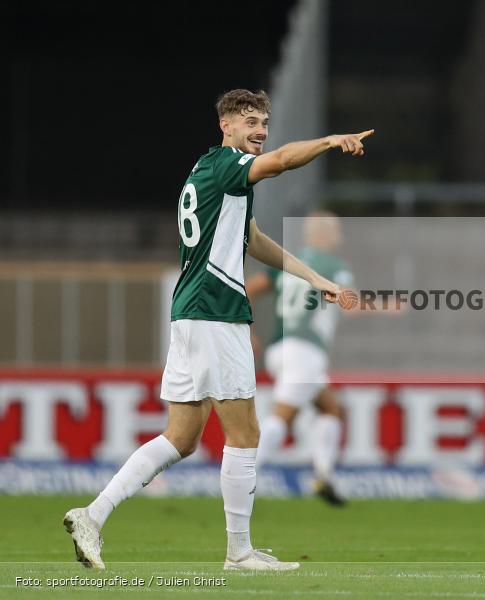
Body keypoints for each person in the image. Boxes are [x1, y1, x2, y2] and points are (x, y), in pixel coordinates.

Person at [63, 89, 373, 570]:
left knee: (182, 438)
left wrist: (315, 278)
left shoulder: (212, 173)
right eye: (250, 122)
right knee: (245, 433)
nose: (261, 132)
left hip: (191, 313)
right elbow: (283, 162)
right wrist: (331, 140)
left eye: (265, 123)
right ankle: (239, 552)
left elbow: (252, 240)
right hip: (216, 312)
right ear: (225, 125)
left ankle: (92, 515)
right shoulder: (228, 165)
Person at [246, 211, 352, 506]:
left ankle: (324, 475)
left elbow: (250, 288)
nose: (338, 237)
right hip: (305, 351)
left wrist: (249, 330)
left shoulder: (286, 262)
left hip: (280, 348)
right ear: (321, 234)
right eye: (334, 231)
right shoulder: (333, 265)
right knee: (283, 416)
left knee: (331, 408)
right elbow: (348, 300)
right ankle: (244, 476)